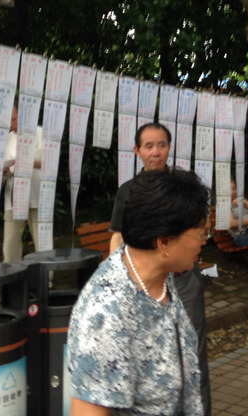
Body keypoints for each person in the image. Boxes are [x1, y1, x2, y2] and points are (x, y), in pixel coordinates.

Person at [68, 168, 209, 416]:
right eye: (200, 233)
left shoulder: (158, 274)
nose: (204, 241)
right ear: (163, 242)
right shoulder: (106, 313)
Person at [108, 122, 211, 416]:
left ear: (169, 147)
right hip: (143, 285)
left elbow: (199, 232)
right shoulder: (128, 192)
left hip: (184, 282)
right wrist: (117, 280)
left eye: (162, 145)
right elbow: (118, 236)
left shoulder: (183, 187)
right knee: (148, 357)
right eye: (149, 146)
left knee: (193, 356)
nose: (156, 152)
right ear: (137, 151)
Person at [2, 101, 44, 262]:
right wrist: (3, 172)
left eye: (13, 119)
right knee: (10, 243)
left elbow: (51, 163)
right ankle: (12, 279)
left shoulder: (40, 133)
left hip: (37, 195)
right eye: (8, 120)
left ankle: (47, 280)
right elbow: (4, 172)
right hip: (13, 197)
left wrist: (26, 162)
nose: (11, 124)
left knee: (42, 242)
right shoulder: (6, 139)